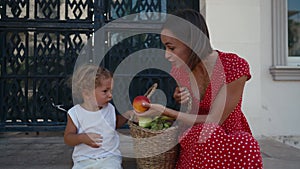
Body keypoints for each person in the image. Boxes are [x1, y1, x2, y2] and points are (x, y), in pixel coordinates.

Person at [140, 9, 263, 168]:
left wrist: (165, 111)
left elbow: (214, 120)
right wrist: (181, 98)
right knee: (205, 135)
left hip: (229, 137)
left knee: (240, 142)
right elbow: (190, 108)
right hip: (195, 139)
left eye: (171, 47)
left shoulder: (234, 67)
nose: (166, 55)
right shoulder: (179, 69)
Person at [64, 64, 133, 169]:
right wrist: (82, 138)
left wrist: (127, 115)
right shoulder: (75, 113)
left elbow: (114, 123)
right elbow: (68, 138)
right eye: (105, 91)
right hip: (84, 159)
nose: (110, 95)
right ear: (87, 94)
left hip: (109, 157)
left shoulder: (109, 108)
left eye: (111, 91)